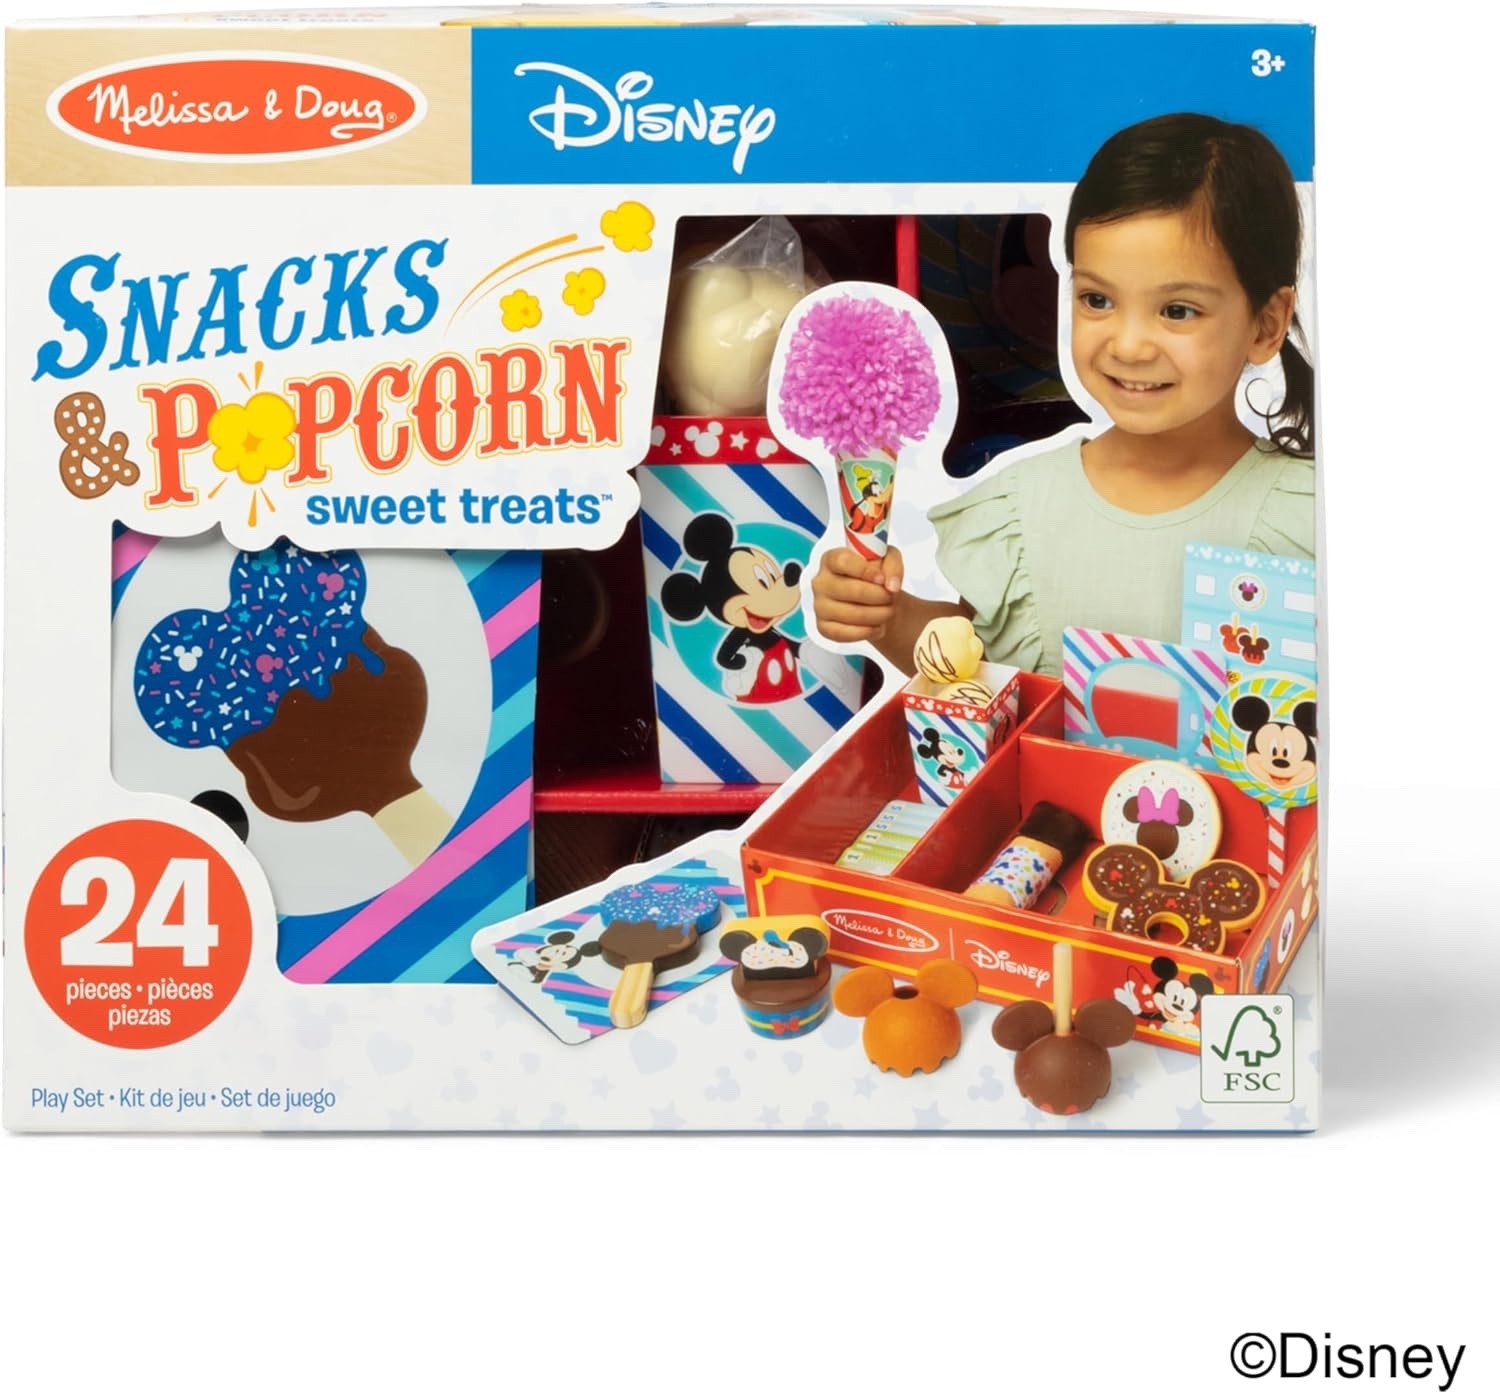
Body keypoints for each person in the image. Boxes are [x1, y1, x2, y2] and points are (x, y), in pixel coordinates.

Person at [811, 113, 1315, 678]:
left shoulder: (1309, 516)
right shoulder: (1020, 511)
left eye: (1177, 310)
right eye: (1098, 300)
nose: (1128, 345)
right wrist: (885, 616)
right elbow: (970, 663)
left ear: (1266, 324)